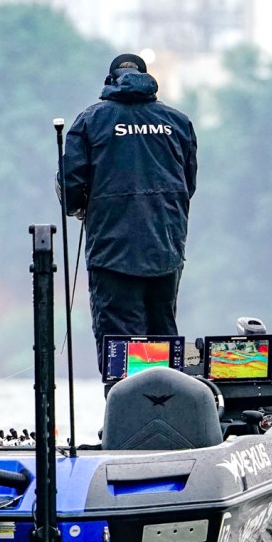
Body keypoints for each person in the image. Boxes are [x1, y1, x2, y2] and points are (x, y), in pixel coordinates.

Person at [60, 53, 198, 391]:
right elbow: (189, 185)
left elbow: (71, 189)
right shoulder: (178, 123)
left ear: (110, 81)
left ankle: (127, 415)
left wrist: (80, 206)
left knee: (120, 346)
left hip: (112, 253)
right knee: (162, 340)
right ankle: (167, 412)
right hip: (165, 250)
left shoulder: (90, 121)